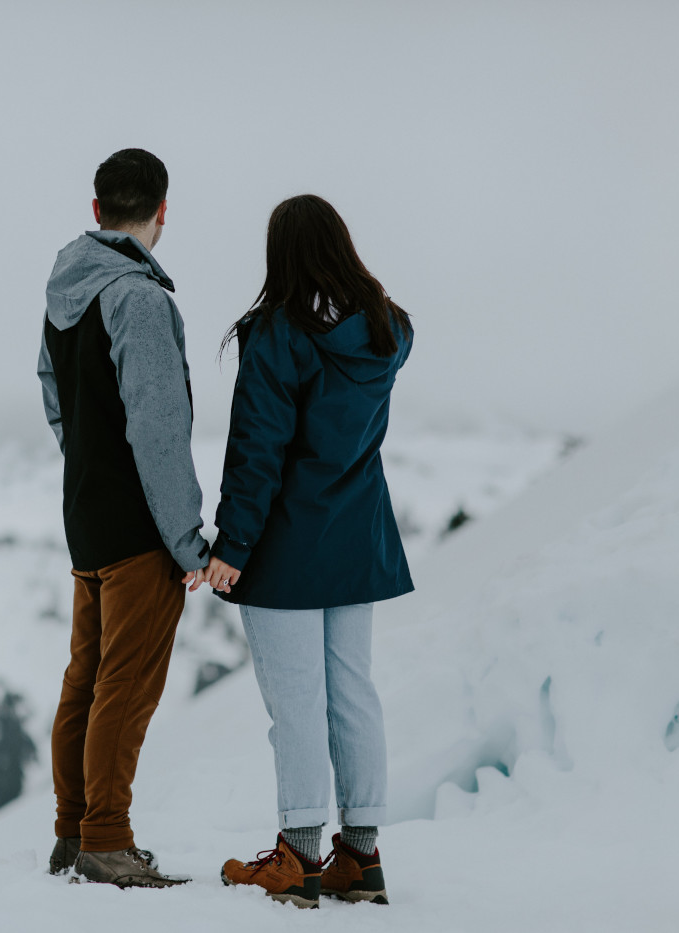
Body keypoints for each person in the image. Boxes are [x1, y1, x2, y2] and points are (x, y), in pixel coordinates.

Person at [206, 194, 413, 908]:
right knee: (352, 691)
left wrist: (232, 544)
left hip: (287, 547)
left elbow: (258, 448)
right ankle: (361, 854)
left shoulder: (277, 335)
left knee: (296, 703)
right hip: (356, 542)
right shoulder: (388, 330)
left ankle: (299, 856)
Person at [36, 148, 214, 888]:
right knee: (125, 682)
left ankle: (74, 832)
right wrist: (186, 537)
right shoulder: (139, 300)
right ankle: (105, 838)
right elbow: (158, 429)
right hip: (139, 526)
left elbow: (54, 396)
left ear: (97, 209)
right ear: (163, 212)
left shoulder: (64, 292)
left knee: (86, 677)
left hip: (87, 516)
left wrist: (88, 468)